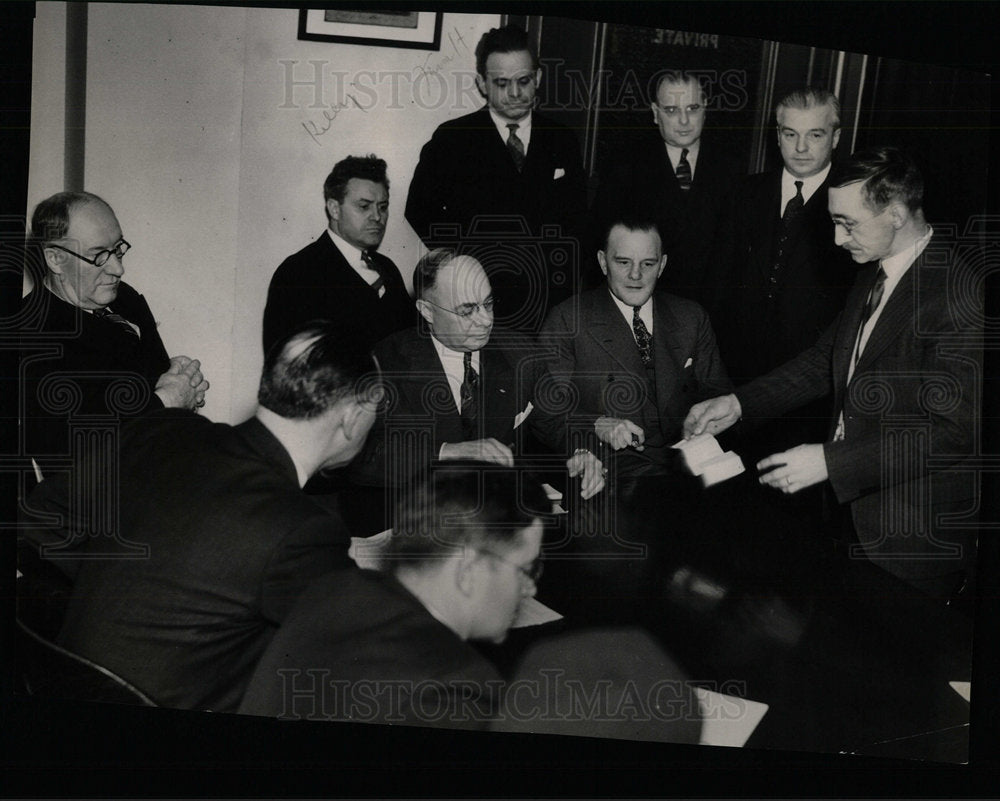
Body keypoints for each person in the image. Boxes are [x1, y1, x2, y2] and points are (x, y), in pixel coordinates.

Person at [22, 322, 383, 711]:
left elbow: (40, 520)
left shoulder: (161, 429)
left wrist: (129, 576)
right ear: (352, 417)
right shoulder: (303, 527)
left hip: (61, 683)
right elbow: (365, 651)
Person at [685, 146, 981, 597]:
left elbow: (952, 431)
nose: (838, 240)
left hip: (911, 539)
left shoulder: (956, 296)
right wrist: (739, 403)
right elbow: (825, 360)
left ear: (897, 214)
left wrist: (830, 461)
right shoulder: (873, 269)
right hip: (850, 516)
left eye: (849, 224)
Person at [239, 461, 549, 729]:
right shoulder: (455, 687)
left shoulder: (332, 591)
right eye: (526, 568)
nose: (531, 588)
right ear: (467, 571)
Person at [351, 248, 604, 503]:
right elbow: (361, 455)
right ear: (427, 311)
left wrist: (582, 451)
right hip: (419, 514)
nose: (485, 320)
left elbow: (559, 421)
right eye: (467, 310)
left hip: (497, 512)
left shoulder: (521, 353)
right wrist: (447, 453)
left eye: (488, 303)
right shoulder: (387, 362)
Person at [404, 25, 587, 333]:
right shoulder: (453, 139)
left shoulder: (562, 139)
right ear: (482, 84)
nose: (514, 93)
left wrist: (560, 275)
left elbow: (579, 219)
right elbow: (419, 210)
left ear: (538, 79)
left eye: (524, 81)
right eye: (501, 83)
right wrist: (465, 263)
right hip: (474, 300)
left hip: (548, 303)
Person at [20, 191, 209, 468]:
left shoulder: (123, 298)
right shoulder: (30, 336)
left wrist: (181, 383)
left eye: (118, 248)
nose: (118, 268)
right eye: (99, 256)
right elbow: (74, 453)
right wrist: (166, 401)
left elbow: (150, 377)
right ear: (56, 259)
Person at [715, 88, 856, 459]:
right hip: (733, 385)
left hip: (809, 397)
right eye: (790, 134)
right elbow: (718, 286)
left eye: (815, 134)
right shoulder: (742, 194)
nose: (801, 147)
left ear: (836, 137)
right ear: (777, 135)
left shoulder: (853, 204)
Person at [536, 217, 732, 479]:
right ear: (603, 262)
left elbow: (719, 394)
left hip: (688, 464)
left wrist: (707, 423)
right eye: (623, 262)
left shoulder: (691, 317)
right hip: (605, 467)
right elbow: (544, 417)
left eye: (647, 264)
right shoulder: (567, 320)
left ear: (662, 265)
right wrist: (597, 424)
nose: (636, 275)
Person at [592, 71, 743, 311]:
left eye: (692, 108)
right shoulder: (626, 166)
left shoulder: (730, 168)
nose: (684, 121)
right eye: (672, 110)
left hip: (707, 314)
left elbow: (731, 256)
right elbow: (602, 246)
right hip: (640, 308)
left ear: (705, 108)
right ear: (655, 113)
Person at [263, 154, 415, 355]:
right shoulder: (299, 272)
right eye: (364, 206)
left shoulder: (387, 268)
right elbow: (288, 367)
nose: (377, 217)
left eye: (383, 207)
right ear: (334, 209)